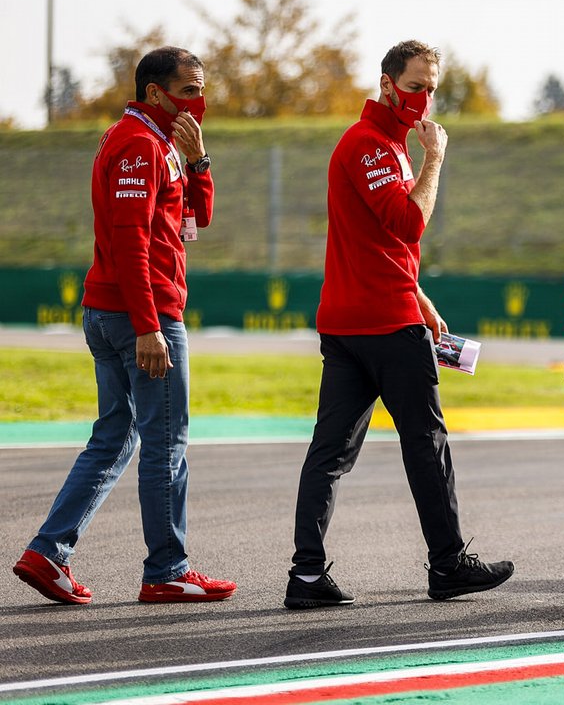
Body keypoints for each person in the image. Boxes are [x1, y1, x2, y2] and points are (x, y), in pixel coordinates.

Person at [285, 41, 513, 610]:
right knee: (425, 444)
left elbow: (380, 243)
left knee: (330, 451)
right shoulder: (373, 145)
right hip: (382, 325)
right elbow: (408, 223)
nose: (424, 99)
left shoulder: (381, 143)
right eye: (414, 87)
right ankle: (448, 563)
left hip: (358, 318)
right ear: (386, 84)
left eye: (431, 87)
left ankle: (307, 575)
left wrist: (420, 295)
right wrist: (436, 159)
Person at [12, 47, 236, 604]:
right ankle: (168, 569)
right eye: (188, 91)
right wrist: (148, 326)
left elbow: (195, 219)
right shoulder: (138, 144)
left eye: (200, 90)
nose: (198, 101)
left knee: (116, 435)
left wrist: (200, 160)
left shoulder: (161, 143)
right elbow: (130, 241)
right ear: (155, 93)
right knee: (166, 442)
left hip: (118, 311)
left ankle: (48, 553)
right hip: (141, 313)